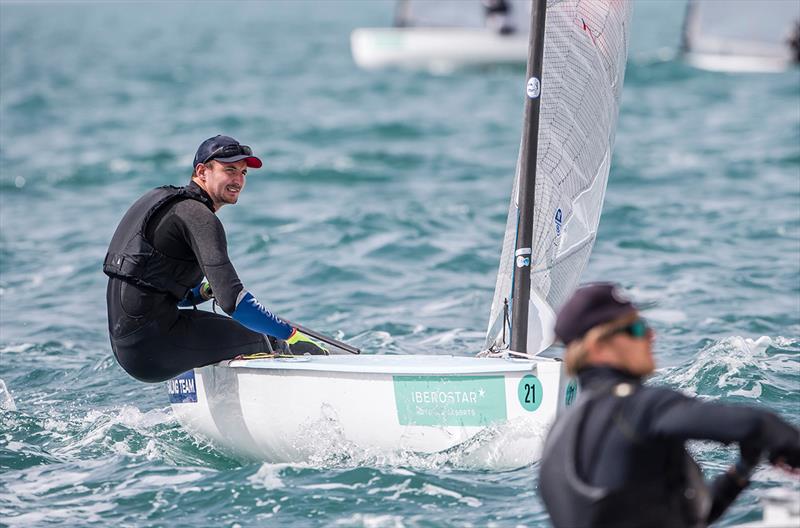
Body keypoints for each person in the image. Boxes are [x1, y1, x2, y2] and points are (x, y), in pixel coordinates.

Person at [539, 283, 800, 528]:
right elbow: (759, 424)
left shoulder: (559, 433)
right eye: (637, 329)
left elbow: (685, 518)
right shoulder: (638, 407)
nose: (651, 335)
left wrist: (744, 466)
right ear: (598, 347)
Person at [103, 135, 327, 383]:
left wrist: (205, 292)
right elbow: (235, 303)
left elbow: (153, 287)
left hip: (129, 346)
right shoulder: (199, 217)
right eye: (229, 170)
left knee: (235, 333)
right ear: (202, 171)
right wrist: (290, 335)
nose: (238, 180)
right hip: (155, 346)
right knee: (266, 339)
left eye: (243, 173)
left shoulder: (161, 201)